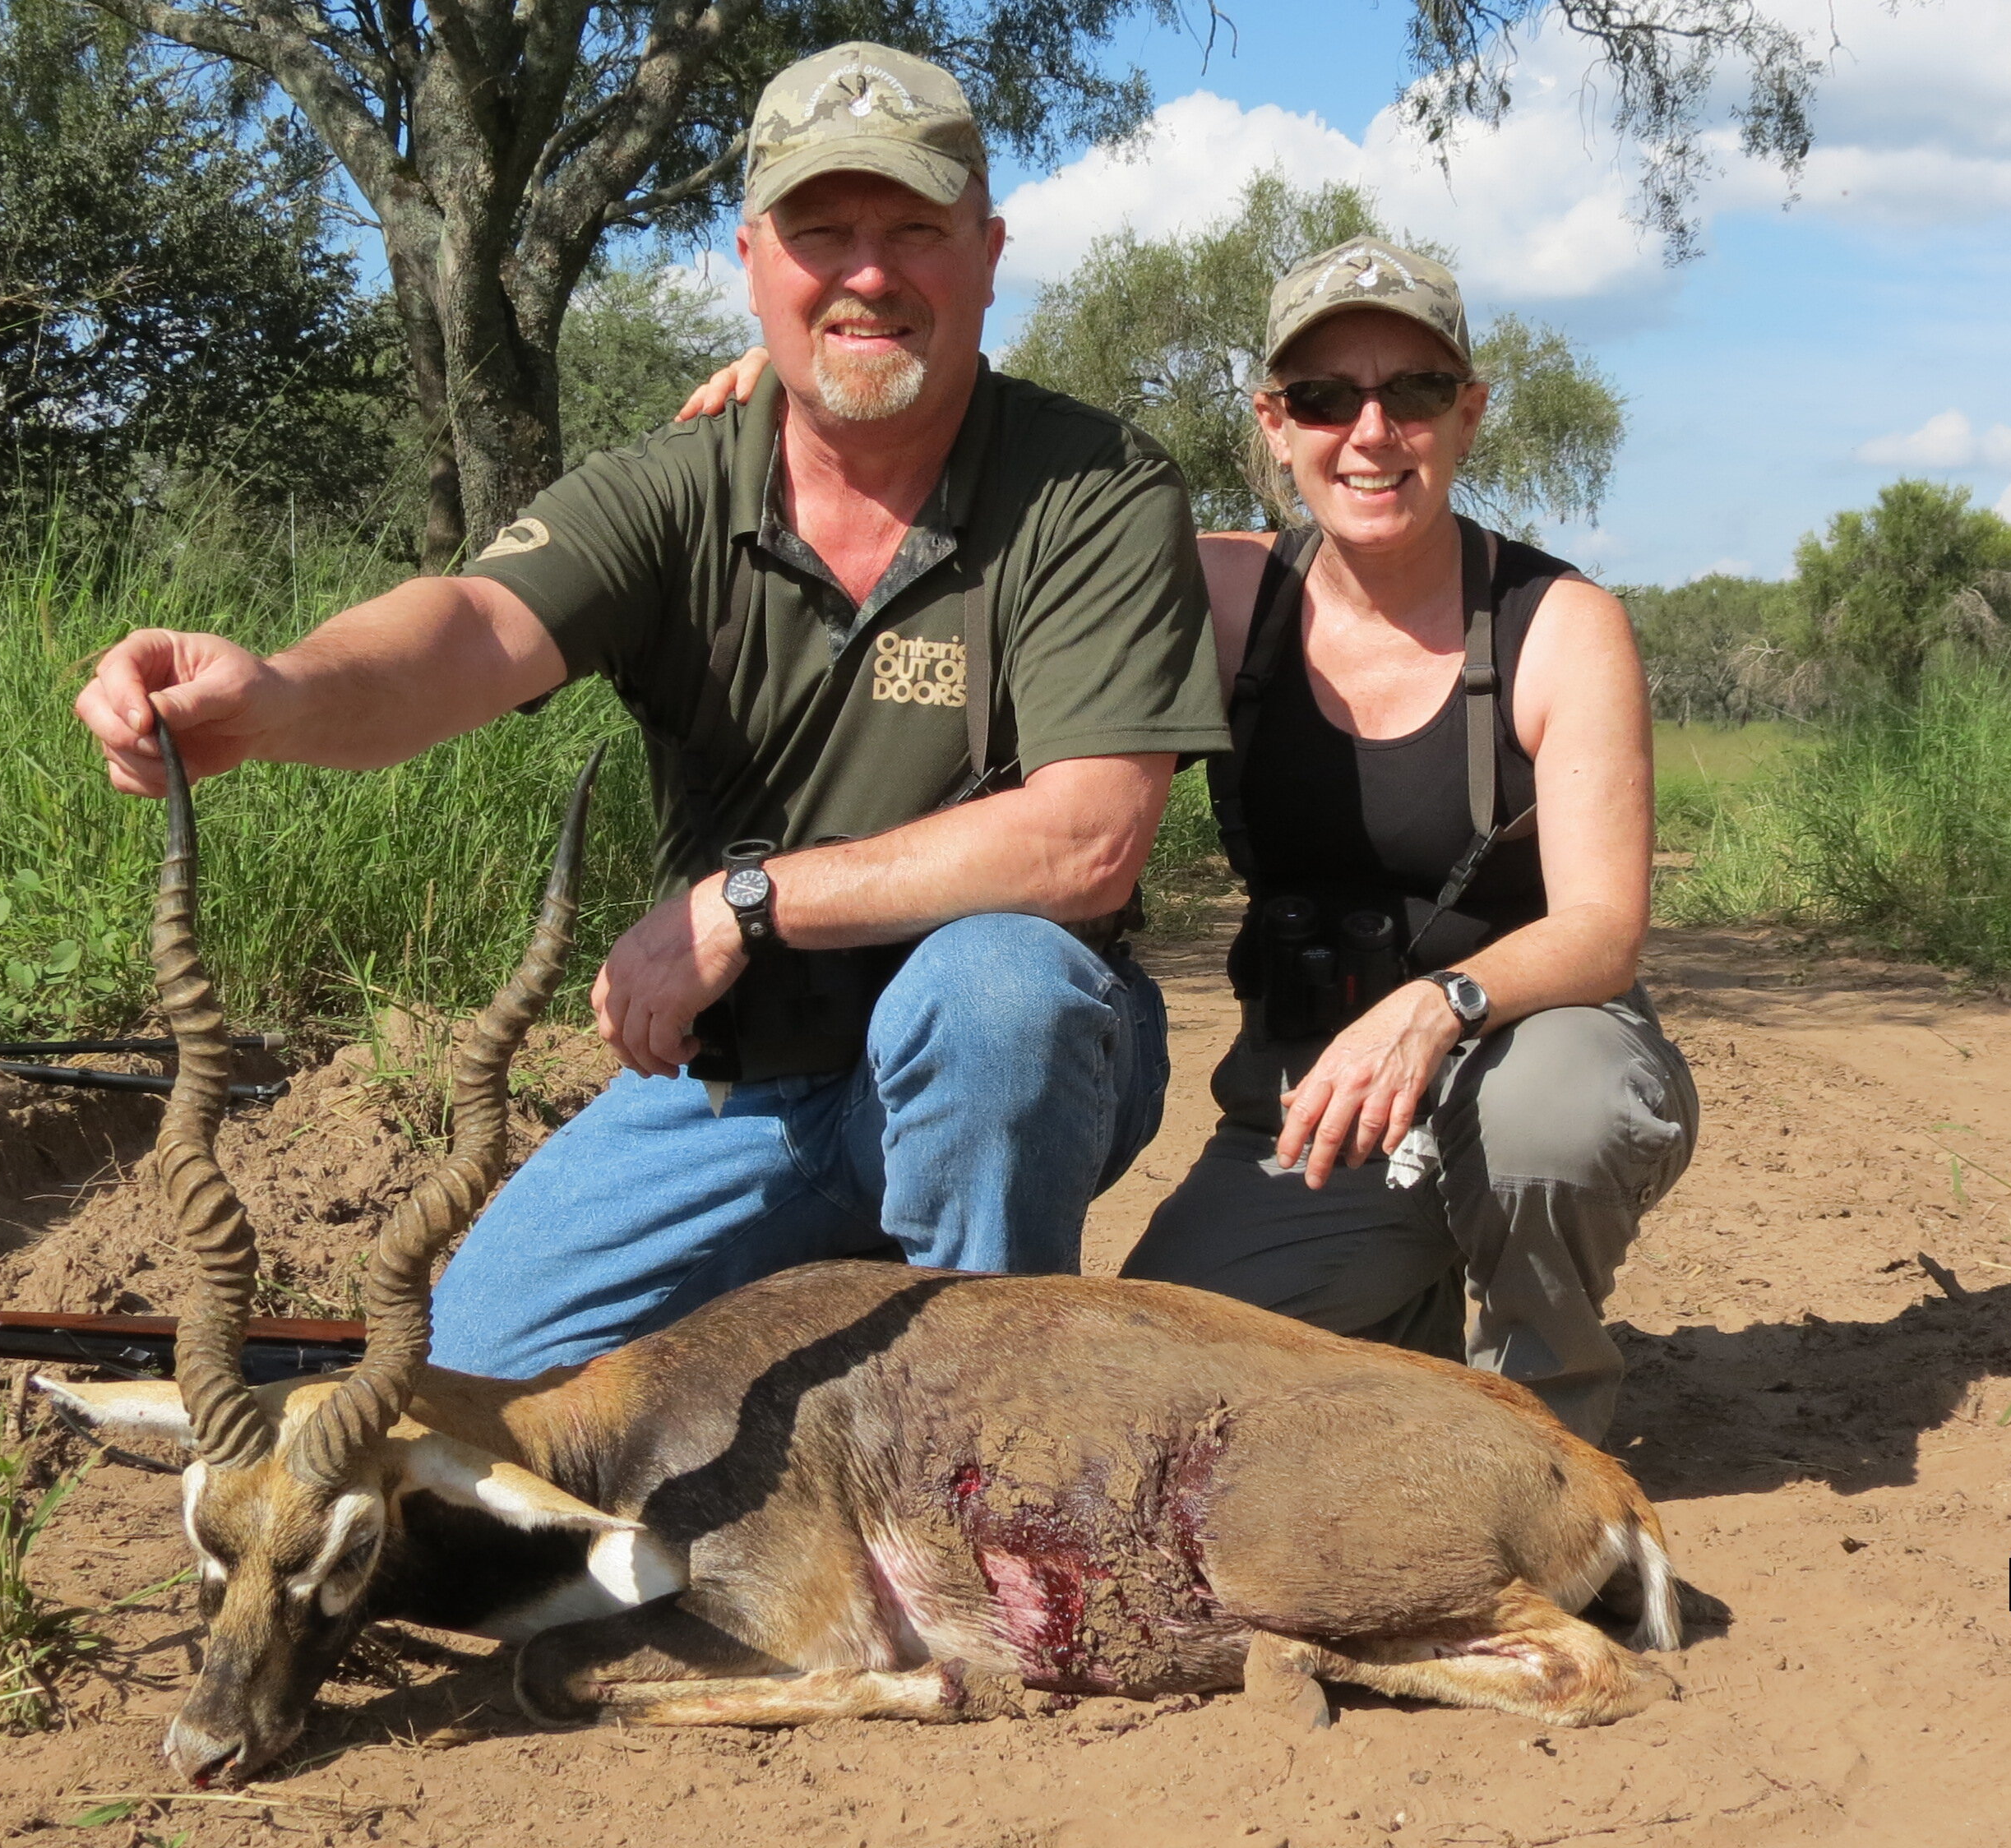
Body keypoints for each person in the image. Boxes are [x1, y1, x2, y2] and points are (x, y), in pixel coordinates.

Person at [71, 44, 1228, 1383]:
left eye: (914, 227)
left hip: (1005, 1061)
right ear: (752, 258)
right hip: (748, 1086)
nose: (867, 271)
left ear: (986, 248)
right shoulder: (675, 486)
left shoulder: (1095, 485)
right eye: (821, 232)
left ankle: (992, 1444)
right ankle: (815, 1301)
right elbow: (466, 626)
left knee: (997, 995)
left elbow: (1086, 842)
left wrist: (742, 905)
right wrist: (279, 692)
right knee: (473, 1383)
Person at [676, 238, 1698, 1445]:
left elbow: (1602, 930)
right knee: (1152, 1398)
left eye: (1413, 393)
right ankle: (1406, 1299)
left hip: (1519, 1044)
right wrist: (822, 406)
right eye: (1323, 398)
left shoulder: (1560, 626)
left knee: (1553, 1117)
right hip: (1318, 1109)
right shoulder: (1221, 595)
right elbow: (1010, 535)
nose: (1369, 433)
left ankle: (1547, 1424)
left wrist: (1436, 1008)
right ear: (1274, 423)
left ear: (1468, 415)